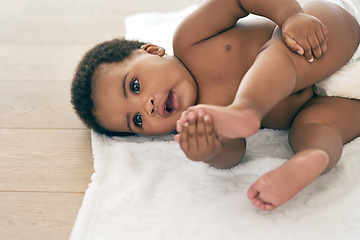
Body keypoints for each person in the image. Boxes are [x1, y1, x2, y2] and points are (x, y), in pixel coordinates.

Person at [71, 0, 360, 211]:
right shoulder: (203, 119)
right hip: (334, 102)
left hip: (321, 37)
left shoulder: (191, 40)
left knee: (278, 53)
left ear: (152, 51)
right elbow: (235, 151)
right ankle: (314, 158)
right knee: (312, 129)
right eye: (136, 121)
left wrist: (290, 16)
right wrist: (211, 150)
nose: (146, 107)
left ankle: (248, 107)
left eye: (134, 86)